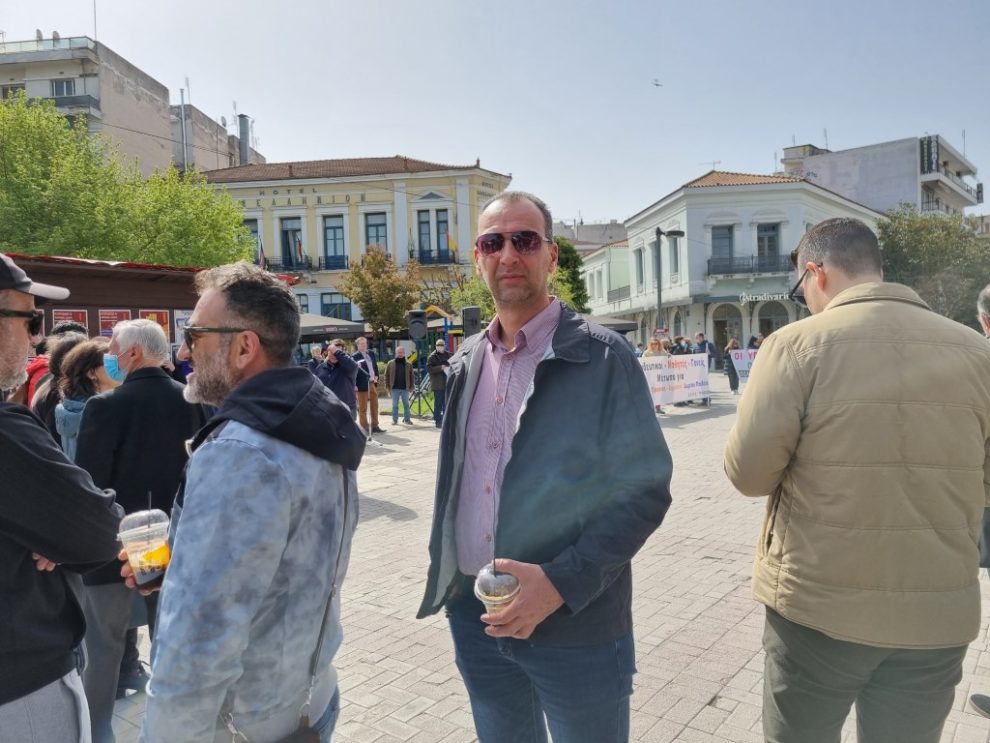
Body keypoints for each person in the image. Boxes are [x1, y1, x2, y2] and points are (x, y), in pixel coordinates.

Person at [417, 191, 673, 743]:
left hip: (576, 624)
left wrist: (559, 584)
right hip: (476, 616)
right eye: (493, 242)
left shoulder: (604, 357)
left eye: (525, 240)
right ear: (479, 259)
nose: (508, 254)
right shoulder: (465, 361)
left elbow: (645, 491)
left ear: (551, 256)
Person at [724, 218, 990, 743]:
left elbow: (748, 474)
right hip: (937, 612)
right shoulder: (977, 352)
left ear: (816, 273)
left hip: (817, 608)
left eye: (800, 290)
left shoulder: (795, 345)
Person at [136, 262, 365, 742]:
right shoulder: (318, 421)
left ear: (244, 347)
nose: (183, 351)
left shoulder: (239, 453)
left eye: (194, 334)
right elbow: (284, 562)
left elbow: (197, 643)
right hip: (311, 700)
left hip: (243, 726)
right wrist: (183, 562)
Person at [0, 253, 122, 743]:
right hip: (22, 685)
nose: (36, 338)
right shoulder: (7, 433)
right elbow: (99, 529)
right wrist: (61, 529)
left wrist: (55, 528)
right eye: (30, 321)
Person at [73, 319, 207, 743]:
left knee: (103, 648)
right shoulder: (192, 402)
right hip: (173, 540)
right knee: (168, 642)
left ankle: (97, 733)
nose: (109, 357)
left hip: (115, 546)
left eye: (113, 349)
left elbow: (90, 484)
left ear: (133, 353)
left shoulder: (105, 406)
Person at [55, 337, 118, 462]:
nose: (119, 367)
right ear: (91, 373)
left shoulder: (68, 406)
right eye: (110, 363)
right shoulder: (99, 411)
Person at [312, 338, 359, 419]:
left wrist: (336, 351)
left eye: (337, 352)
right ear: (327, 352)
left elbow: (354, 366)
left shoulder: (348, 367)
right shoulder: (320, 368)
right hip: (328, 410)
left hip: (347, 409)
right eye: (331, 352)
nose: (334, 355)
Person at [353, 336, 384, 434]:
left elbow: (375, 366)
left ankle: (375, 425)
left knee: (375, 405)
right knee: (363, 407)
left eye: (365, 343)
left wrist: (376, 376)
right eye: (362, 344)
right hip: (361, 384)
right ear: (357, 345)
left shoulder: (371, 353)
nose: (364, 345)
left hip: (371, 383)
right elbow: (353, 372)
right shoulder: (355, 356)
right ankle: (364, 427)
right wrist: (355, 385)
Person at [426, 338, 452, 428]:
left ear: (444, 346)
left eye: (441, 345)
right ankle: (438, 421)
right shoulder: (432, 357)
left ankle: (446, 421)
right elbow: (429, 369)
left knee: (446, 404)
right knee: (438, 404)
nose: (440, 346)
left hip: (448, 383)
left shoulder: (449, 355)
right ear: (436, 346)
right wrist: (440, 367)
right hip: (438, 384)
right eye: (438, 345)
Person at [385, 345, 413, 425]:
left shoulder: (408, 364)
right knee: (395, 405)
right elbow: (386, 375)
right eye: (398, 352)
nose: (400, 354)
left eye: (401, 352)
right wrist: (387, 386)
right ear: (396, 353)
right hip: (394, 388)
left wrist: (411, 387)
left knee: (406, 405)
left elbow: (412, 376)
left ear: (404, 353)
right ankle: (394, 420)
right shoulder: (390, 363)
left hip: (405, 388)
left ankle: (407, 420)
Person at [640, 338, 667, 415]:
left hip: (659, 375)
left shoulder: (662, 352)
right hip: (650, 375)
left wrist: (669, 356)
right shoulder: (647, 352)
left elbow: (667, 358)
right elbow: (643, 361)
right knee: (650, 392)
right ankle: (649, 408)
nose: (654, 345)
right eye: (652, 344)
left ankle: (658, 407)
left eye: (655, 344)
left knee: (658, 392)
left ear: (659, 344)